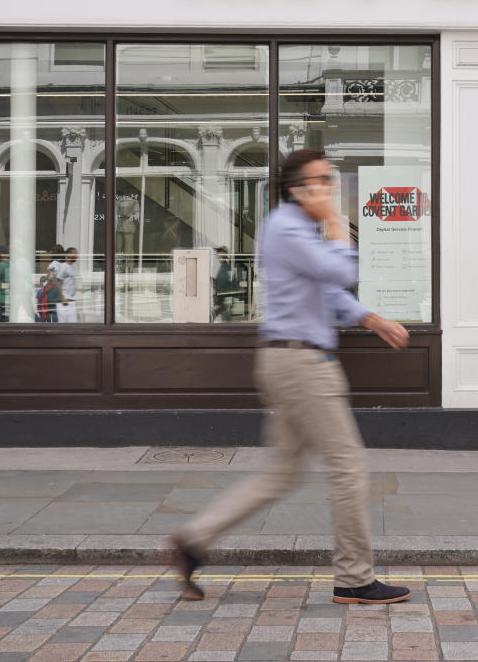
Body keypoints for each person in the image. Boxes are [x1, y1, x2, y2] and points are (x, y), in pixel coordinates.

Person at [170, 148, 412, 606]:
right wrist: (338, 224)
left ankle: (193, 541)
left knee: (280, 474)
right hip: (302, 366)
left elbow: (328, 293)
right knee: (348, 469)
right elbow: (339, 269)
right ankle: (354, 579)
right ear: (297, 189)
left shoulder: (298, 229)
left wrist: (372, 319)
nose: (330, 187)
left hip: (292, 360)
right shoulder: (286, 227)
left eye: (330, 179)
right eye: (321, 181)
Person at [53, 247, 79, 323]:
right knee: (65, 326)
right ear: (68, 255)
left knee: (72, 326)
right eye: (75, 253)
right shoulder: (64, 266)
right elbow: (58, 282)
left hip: (70, 300)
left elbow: (68, 283)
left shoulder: (71, 267)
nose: (76, 256)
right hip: (64, 302)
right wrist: (62, 298)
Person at [213, 245, 237, 320]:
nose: (218, 255)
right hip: (221, 300)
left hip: (226, 300)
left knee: (227, 323)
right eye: (218, 253)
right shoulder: (222, 266)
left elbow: (231, 283)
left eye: (220, 252)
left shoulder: (228, 267)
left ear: (225, 253)